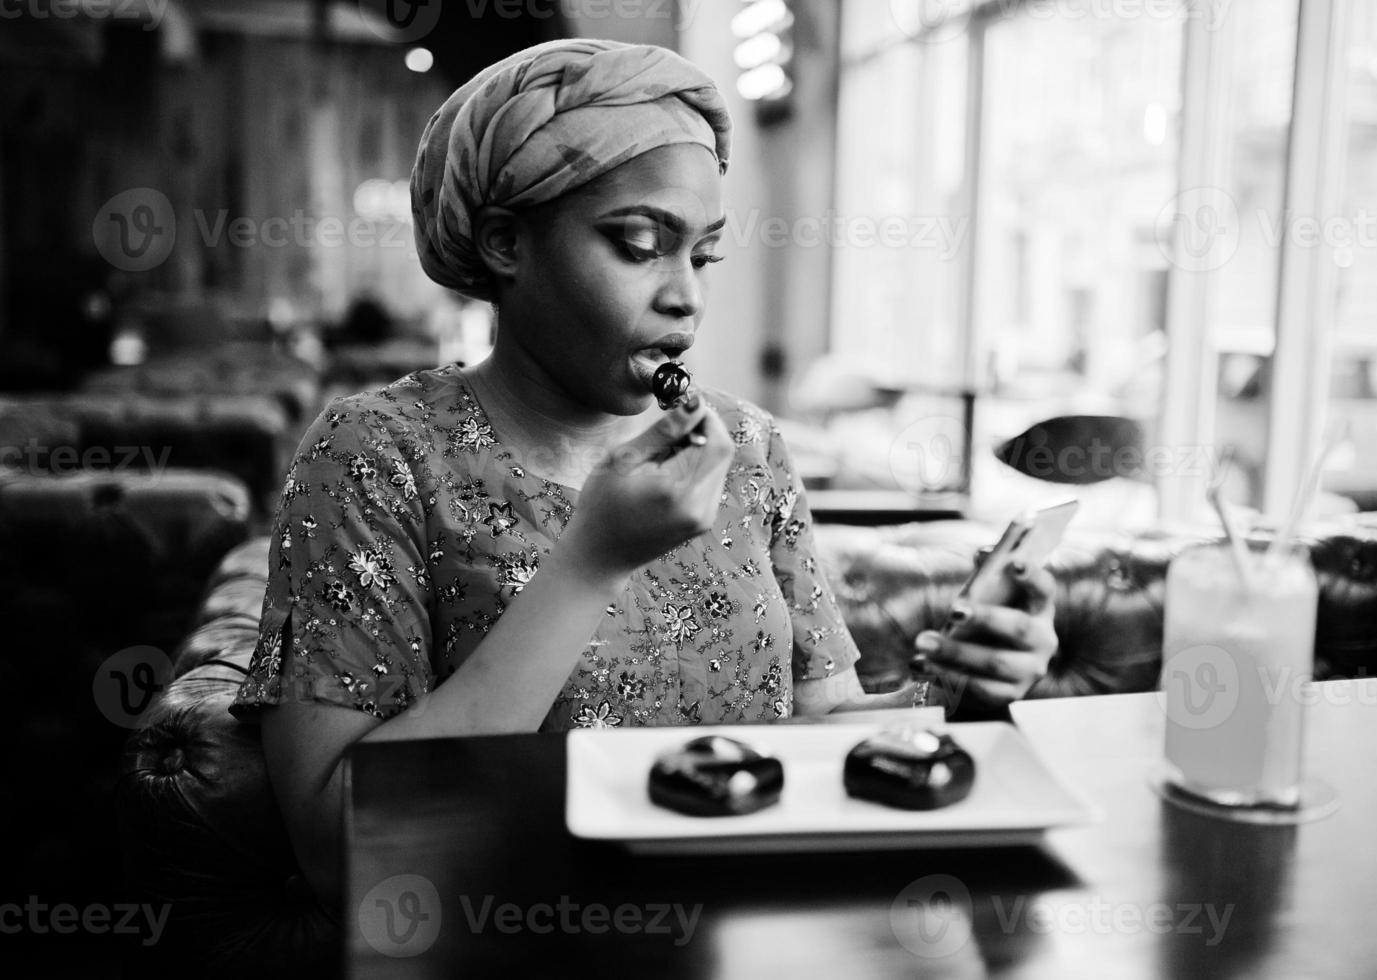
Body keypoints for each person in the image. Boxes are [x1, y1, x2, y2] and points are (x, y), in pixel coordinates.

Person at [228, 38, 1059, 910]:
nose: (686, 297)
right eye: (637, 245)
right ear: (505, 242)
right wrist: (588, 564)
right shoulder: (374, 456)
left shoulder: (749, 448)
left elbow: (820, 731)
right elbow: (335, 844)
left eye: (702, 255)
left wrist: (964, 689)